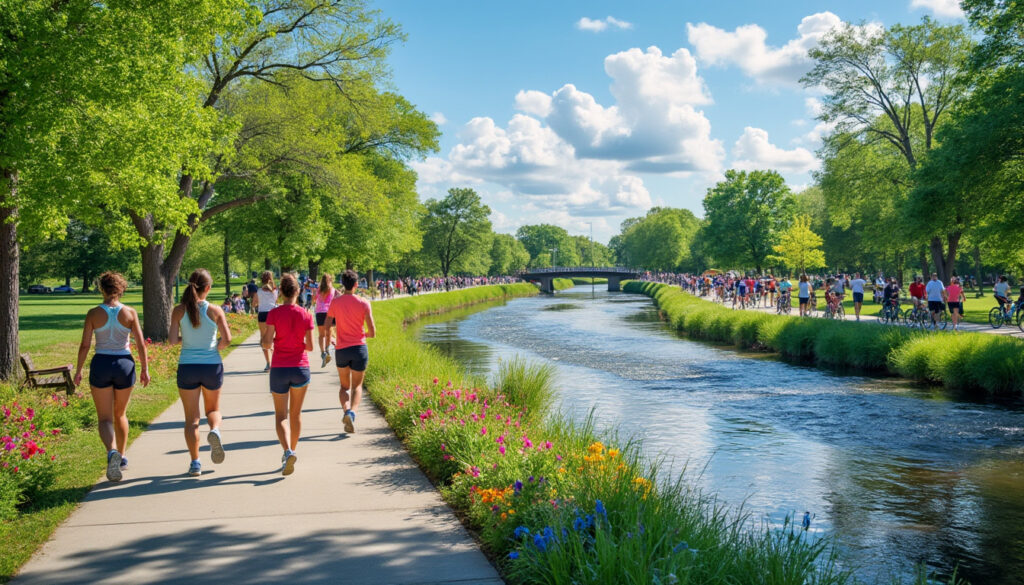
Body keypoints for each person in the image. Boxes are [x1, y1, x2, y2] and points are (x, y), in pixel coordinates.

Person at [73, 272, 150, 482]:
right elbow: (140, 344)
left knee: (105, 418)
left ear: (102, 288)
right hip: (124, 364)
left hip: (102, 364)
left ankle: (112, 451)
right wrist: (145, 369)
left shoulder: (93, 313)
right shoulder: (130, 313)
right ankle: (122, 457)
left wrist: (78, 371)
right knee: (120, 414)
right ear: (121, 289)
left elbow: (85, 345)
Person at [170, 269, 232, 477]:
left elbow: (172, 340)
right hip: (211, 365)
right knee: (213, 409)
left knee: (191, 419)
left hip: (188, 366)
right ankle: (214, 430)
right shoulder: (215, 310)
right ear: (208, 288)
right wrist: (214, 346)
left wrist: (188, 340)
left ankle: (195, 462)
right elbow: (227, 339)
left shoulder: (179, 311)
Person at [261, 273, 314, 475]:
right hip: (300, 368)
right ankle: (293, 450)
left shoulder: (274, 314)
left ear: (280, 292)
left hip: (279, 369)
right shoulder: (306, 315)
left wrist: (273, 342)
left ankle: (287, 451)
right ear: (298, 291)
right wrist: (297, 342)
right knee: (296, 414)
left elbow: (267, 343)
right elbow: (310, 346)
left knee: (281, 415)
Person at [324, 270, 376, 434]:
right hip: (359, 348)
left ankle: (346, 411)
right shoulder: (363, 302)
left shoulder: (335, 303)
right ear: (356, 284)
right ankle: (352, 413)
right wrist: (363, 334)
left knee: (344, 387)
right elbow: (372, 332)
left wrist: (329, 340)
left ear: (343, 284)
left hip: (342, 349)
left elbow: (327, 325)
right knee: (357, 386)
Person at [315, 273, 341, 368]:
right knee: (328, 334)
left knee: (321, 335)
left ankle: (323, 353)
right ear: (330, 281)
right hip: (329, 313)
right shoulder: (333, 290)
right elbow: (339, 297)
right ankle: (327, 350)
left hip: (319, 313)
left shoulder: (318, 290)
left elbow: (314, 299)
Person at [255, 271, 278, 371]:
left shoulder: (259, 291)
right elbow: (276, 301)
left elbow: (254, 303)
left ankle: (268, 363)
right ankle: (275, 361)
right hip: (273, 313)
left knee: (263, 338)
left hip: (262, 314)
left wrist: (258, 303)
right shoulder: (274, 290)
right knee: (273, 338)